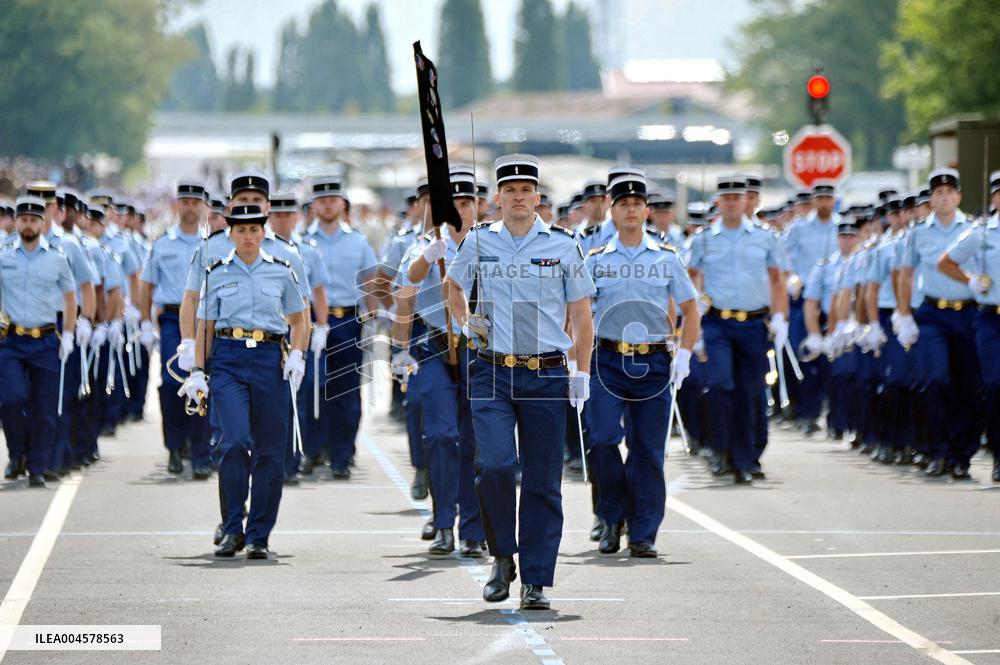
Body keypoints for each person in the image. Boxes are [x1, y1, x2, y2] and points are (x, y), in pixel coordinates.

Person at [443, 154, 595, 610]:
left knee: (543, 480)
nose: (518, 197)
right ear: (497, 197)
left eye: (526, 190)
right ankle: (502, 557)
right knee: (492, 464)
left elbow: (582, 315)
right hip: (491, 368)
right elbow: (452, 286)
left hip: (546, 371)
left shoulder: (564, 245)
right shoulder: (478, 241)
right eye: (509, 190)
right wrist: (466, 321)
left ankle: (536, 579)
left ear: (538, 197)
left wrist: (581, 370)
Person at [184, 204, 308, 559]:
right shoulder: (217, 272)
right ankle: (232, 527)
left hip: (270, 360)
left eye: (255, 230)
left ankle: (258, 535)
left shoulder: (281, 271)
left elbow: (300, 320)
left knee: (270, 452)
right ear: (231, 234)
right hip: (228, 359)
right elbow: (205, 326)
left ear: (263, 233)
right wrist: (196, 370)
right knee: (235, 442)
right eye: (241, 231)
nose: (249, 237)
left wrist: (297, 354)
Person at [585, 173, 699, 557]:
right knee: (601, 440)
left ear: (646, 211)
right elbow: (580, 310)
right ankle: (611, 515)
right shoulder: (596, 259)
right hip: (606, 358)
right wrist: (576, 362)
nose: (631, 209)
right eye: (623, 204)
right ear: (612, 211)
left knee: (648, 449)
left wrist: (683, 354)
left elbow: (690, 308)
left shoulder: (665, 257)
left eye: (637, 203)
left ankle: (643, 532)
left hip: (651, 360)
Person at [392, 170, 485, 557]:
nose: (460, 211)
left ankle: (475, 528)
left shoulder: (492, 242)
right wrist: (400, 349)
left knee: (477, 441)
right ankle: (444, 520)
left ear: (478, 205)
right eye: (453, 205)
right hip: (434, 347)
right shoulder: (427, 244)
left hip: (481, 350)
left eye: (466, 204)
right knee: (443, 436)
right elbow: (404, 291)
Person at [687, 176, 788, 483]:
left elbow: (776, 279)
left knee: (751, 390)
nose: (732, 203)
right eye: (726, 197)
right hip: (718, 322)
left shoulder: (765, 236)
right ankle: (720, 450)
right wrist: (695, 323)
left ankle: (747, 457)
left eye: (737, 197)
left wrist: (781, 317)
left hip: (754, 323)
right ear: (718, 202)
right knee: (719, 384)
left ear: (747, 201)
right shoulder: (704, 239)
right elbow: (691, 278)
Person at [896, 169, 980, 479]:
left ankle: (961, 455)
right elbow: (905, 274)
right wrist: (904, 314)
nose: (944, 197)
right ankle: (937, 450)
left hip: (969, 313)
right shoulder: (919, 232)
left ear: (958, 196)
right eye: (938, 192)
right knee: (935, 380)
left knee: (968, 387)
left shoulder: (973, 229)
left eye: (949, 192)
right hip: (932, 314)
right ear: (931, 199)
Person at [302, 176, 379, 479]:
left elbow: (369, 280)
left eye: (333, 200)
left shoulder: (357, 240)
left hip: (348, 320)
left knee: (346, 392)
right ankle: (312, 449)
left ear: (342, 204)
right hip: (310, 322)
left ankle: (342, 455)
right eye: (322, 201)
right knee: (311, 388)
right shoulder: (303, 241)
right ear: (314, 206)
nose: (327, 205)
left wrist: (372, 319)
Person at [0, 196, 77, 488]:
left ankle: (38, 466)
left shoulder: (57, 258)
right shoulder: (4, 256)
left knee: (44, 408)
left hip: (46, 341)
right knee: (11, 399)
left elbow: (70, 299)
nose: (28, 225)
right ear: (17, 222)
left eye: (34, 220)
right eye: (23, 219)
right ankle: (17, 453)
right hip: (12, 341)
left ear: (43, 224)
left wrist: (68, 333)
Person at [140, 181, 213, 478]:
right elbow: (147, 285)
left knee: (203, 383)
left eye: (196, 202)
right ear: (177, 205)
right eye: (185, 202)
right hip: (171, 319)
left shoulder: (214, 244)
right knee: (172, 383)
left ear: (204, 207)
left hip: (206, 320)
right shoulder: (163, 243)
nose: (191, 207)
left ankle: (200, 454)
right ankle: (174, 445)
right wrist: (145, 321)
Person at [936, 169, 999, 482]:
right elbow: (946, 261)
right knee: (992, 384)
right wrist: (971, 280)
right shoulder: (983, 232)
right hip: (989, 316)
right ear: (994, 199)